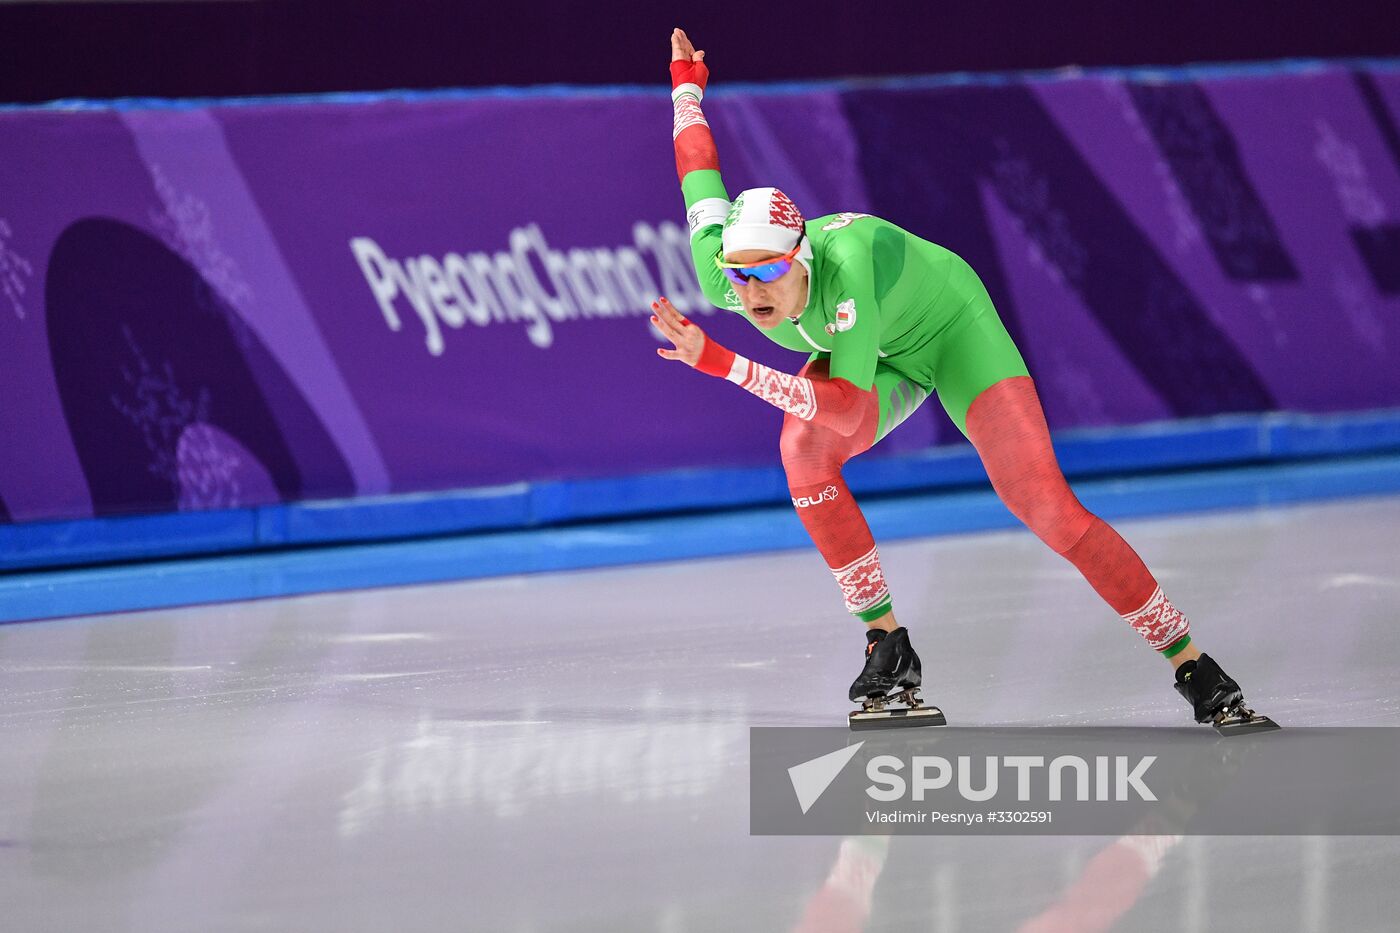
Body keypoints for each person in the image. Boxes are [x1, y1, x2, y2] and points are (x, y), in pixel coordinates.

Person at [654, 28, 1272, 731]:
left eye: (768, 268)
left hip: (948, 329)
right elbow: (696, 164)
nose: (753, 287)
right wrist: (686, 84)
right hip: (873, 348)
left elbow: (851, 412)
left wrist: (719, 362)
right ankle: (887, 643)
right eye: (741, 273)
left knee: (1046, 506)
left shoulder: (845, 267)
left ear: (801, 258)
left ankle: (1192, 663)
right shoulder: (724, 269)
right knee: (801, 452)